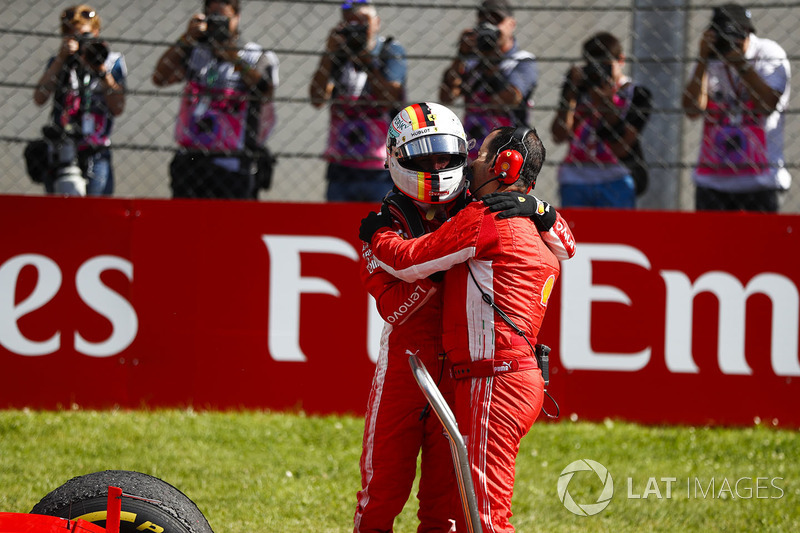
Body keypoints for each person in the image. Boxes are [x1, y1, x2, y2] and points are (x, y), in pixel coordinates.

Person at [355, 105, 575, 532]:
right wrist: (439, 273)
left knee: (448, 506)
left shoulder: (488, 205)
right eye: (423, 160)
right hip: (407, 367)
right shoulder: (382, 222)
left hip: (463, 377)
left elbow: (566, 243)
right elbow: (392, 306)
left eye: (446, 158)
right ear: (397, 159)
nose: (437, 168)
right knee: (381, 492)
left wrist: (540, 208)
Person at [152, 0, 279, 200]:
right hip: (191, 159)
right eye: (213, 18)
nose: (218, 24)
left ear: (237, 17)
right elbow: (160, 78)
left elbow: (266, 93)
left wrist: (234, 59)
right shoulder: (196, 51)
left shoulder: (256, 55)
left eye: (224, 18)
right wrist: (186, 38)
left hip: (233, 163)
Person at [682, 3, 791, 212]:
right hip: (712, 182)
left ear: (747, 33)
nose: (725, 43)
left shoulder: (768, 53)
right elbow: (692, 110)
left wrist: (740, 63)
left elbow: (767, 105)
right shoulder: (710, 58)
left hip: (760, 181)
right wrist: (702, 60)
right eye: (720, 35)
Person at [309, 0, 407, 203]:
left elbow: (388, 99)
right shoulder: (338, 55)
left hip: (381, 166)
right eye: (351, 22)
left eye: (363, 22)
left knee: (381, 227)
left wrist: (367, 60)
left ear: (377, 23)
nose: (357, 28)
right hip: (341, 165)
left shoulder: (389, 51)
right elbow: (317, 98)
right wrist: (329, 54)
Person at [550, 31, 653, 208]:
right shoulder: (580, 90)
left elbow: (622, 148)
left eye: (604, 65)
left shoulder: (636, 94)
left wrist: (605, 106)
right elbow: (559, 135)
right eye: (592, 65)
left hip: (616, 177)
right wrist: (569, 94)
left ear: (620, 60)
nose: (598, 71)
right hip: (575, 177)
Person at [32, 4, 126, 196]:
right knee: (61, 215)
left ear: (96, 33)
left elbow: (118, 107)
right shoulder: (60, 62)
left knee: (95, 214)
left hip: (95, 148)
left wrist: (101, 70)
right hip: (62, 147)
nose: (81, 42)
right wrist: (61, 59)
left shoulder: (110, 62)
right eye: (74, 36)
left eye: (85, 35)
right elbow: (39, 97)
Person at [439, 0, 538, 159]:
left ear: (511, 24)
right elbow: (447, 96)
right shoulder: (471, 61)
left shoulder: (521, 61)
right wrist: (461, 55)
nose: (489, 26)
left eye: (496, 21)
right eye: (484, 21)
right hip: (472, 152)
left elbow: (508, 99)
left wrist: (489, 61)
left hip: (508, 154)